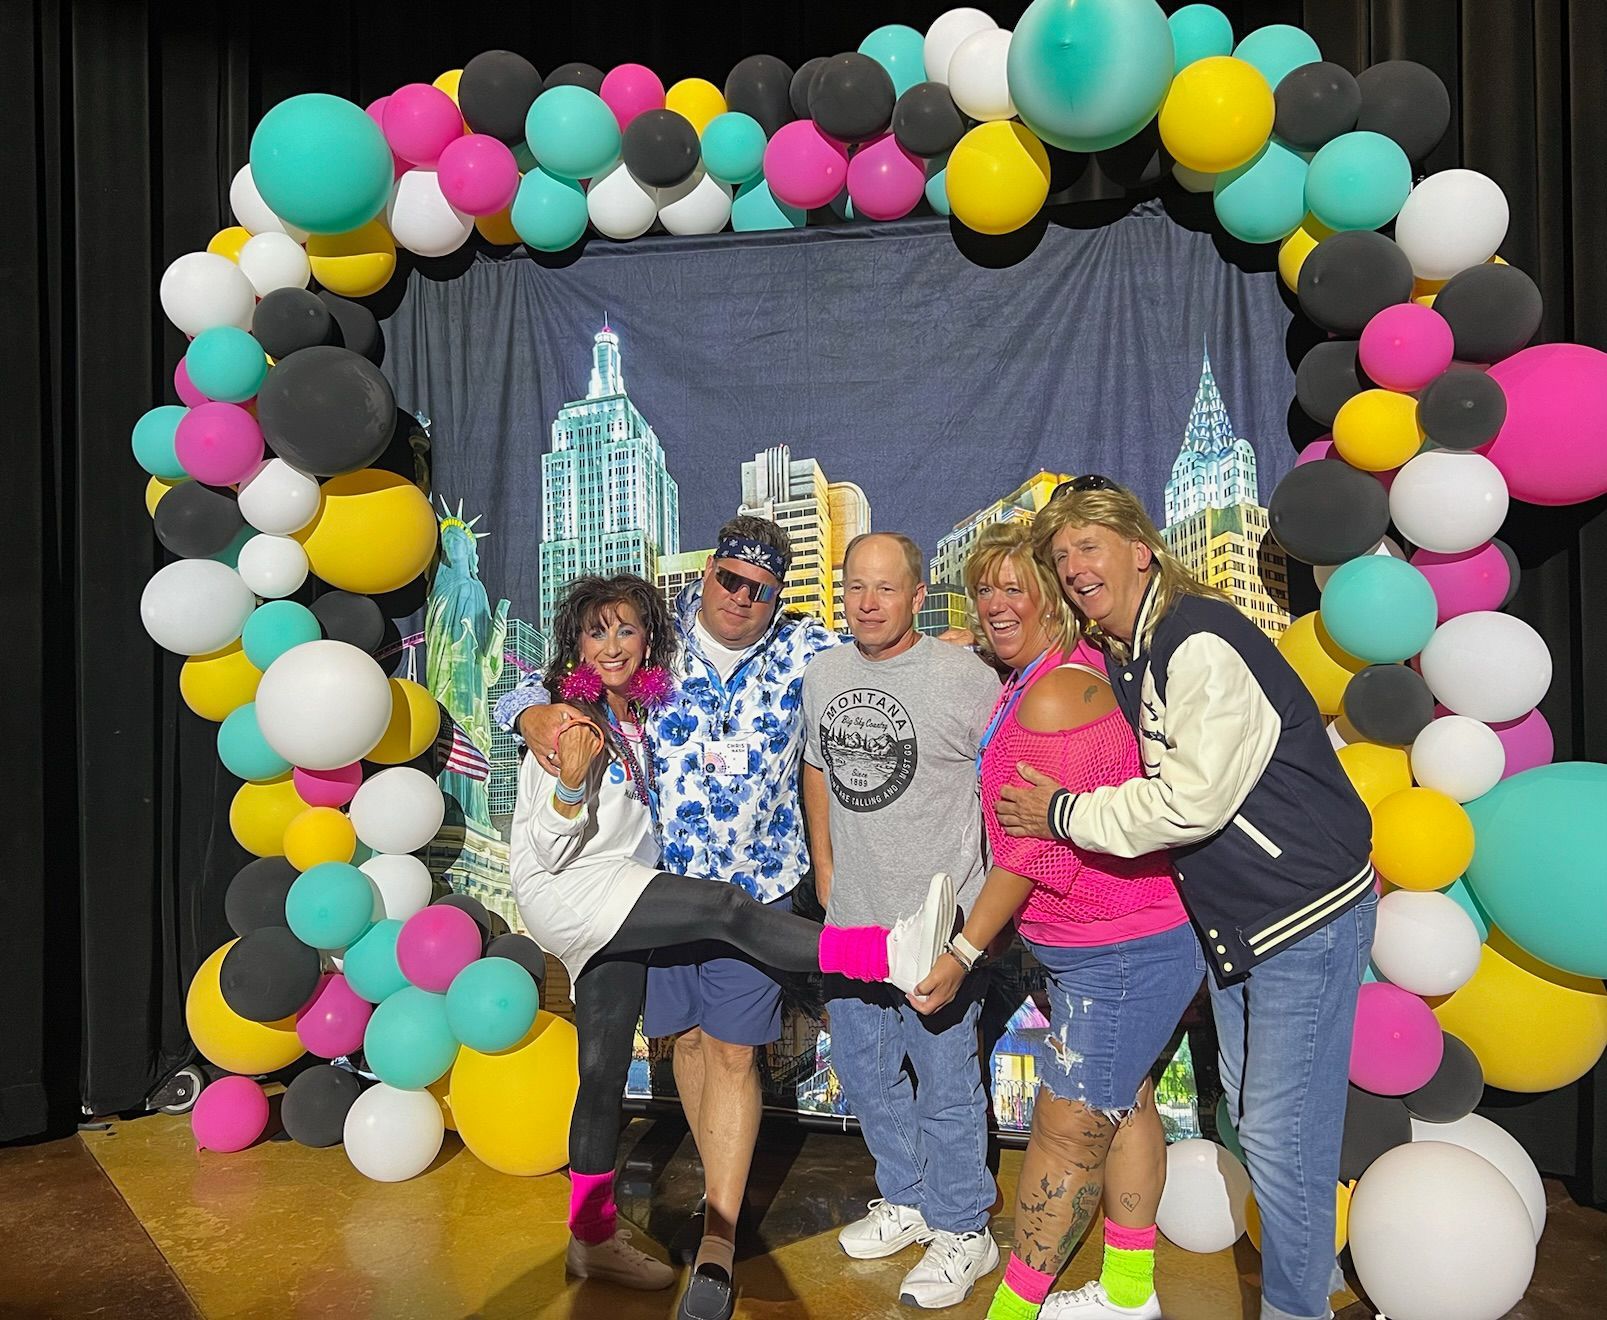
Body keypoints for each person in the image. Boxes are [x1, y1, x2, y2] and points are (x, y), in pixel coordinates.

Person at [511, 573, 956, 1307]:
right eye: (596, 632)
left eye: (626, 629)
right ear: (575, 646)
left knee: (599, 1070)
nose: (613, 644)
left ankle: (589, 1240)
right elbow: (553, 845)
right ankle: (886, 955)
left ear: (651, 639)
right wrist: (563, 778)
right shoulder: (573, 720)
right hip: (576, 886)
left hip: (609, 893)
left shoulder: (637, 711)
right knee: (724, 907)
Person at [994, 479, 1377, 1320]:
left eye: (1087, 547)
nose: (1073, 568)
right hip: (1245, 922)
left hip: (1299, 915)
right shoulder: (1132, 645)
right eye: (1060, 559)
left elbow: (1189, 803)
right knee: (1260, 1122)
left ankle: (1296, 1309)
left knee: (1281, 1139)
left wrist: (1060, 814)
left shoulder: (1196, 640)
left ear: (1140, 550)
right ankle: (1305, 1289)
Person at [495, 516, 844, 1319]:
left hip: (741, 886)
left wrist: (955, 647)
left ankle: (679, 1242)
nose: (741, 597)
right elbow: (533, 686)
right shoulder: (654, 644)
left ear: (777, 595)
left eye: (759, 588)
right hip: (641, 892)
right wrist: (534, 718)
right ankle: (597, 1232)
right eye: (728, 579)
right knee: (670, 1046)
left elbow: (879, 647)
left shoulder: (799, 648)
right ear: (706, 575)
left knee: (678, 1057)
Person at [909, 523, 1202, 1320]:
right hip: (1111, 943)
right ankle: (1130, 1294)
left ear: (1054, 594)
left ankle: (1014, 1310)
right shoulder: (1036, 675)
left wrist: (966, 949)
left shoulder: (1051, 690)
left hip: (1119, 949)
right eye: (983, 589)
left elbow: (1034, 850)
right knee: (1127, 1101)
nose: (995, 604)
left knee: (1067, 1136)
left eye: (1015, 587)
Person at [802, 532, 1003, 1310]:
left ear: (919, 596)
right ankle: (911, 1201)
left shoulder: (963, 675)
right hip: (852, 915)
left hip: (935, 920)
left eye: (886, 589)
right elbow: (816, 765)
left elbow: (1003, 782)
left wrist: (979, 911)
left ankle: (963, 1227)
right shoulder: (824, 673)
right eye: (855, 587)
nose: (868, 603)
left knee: (945, 1077)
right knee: (864, 1068)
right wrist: (822, 862)